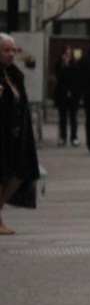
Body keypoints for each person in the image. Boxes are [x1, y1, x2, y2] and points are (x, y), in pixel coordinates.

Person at [0, 34, 41, 235]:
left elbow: (22, 106)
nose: (9, 54)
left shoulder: (16, 76)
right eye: (5, 50)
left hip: (16, 135)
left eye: (12, 50)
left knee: (19, 174)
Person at [52, 46, 81, 147]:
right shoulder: (58, 65)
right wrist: (64, 66)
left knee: (73, 117)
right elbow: (59, 78)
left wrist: (69, 66)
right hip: (62, 94)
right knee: (62, 117)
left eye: (69, 54)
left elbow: (76, 77)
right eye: (66, 54)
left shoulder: (75, 64)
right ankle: (63, 137)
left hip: (73, 94)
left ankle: (74, 137)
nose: (68, 56)